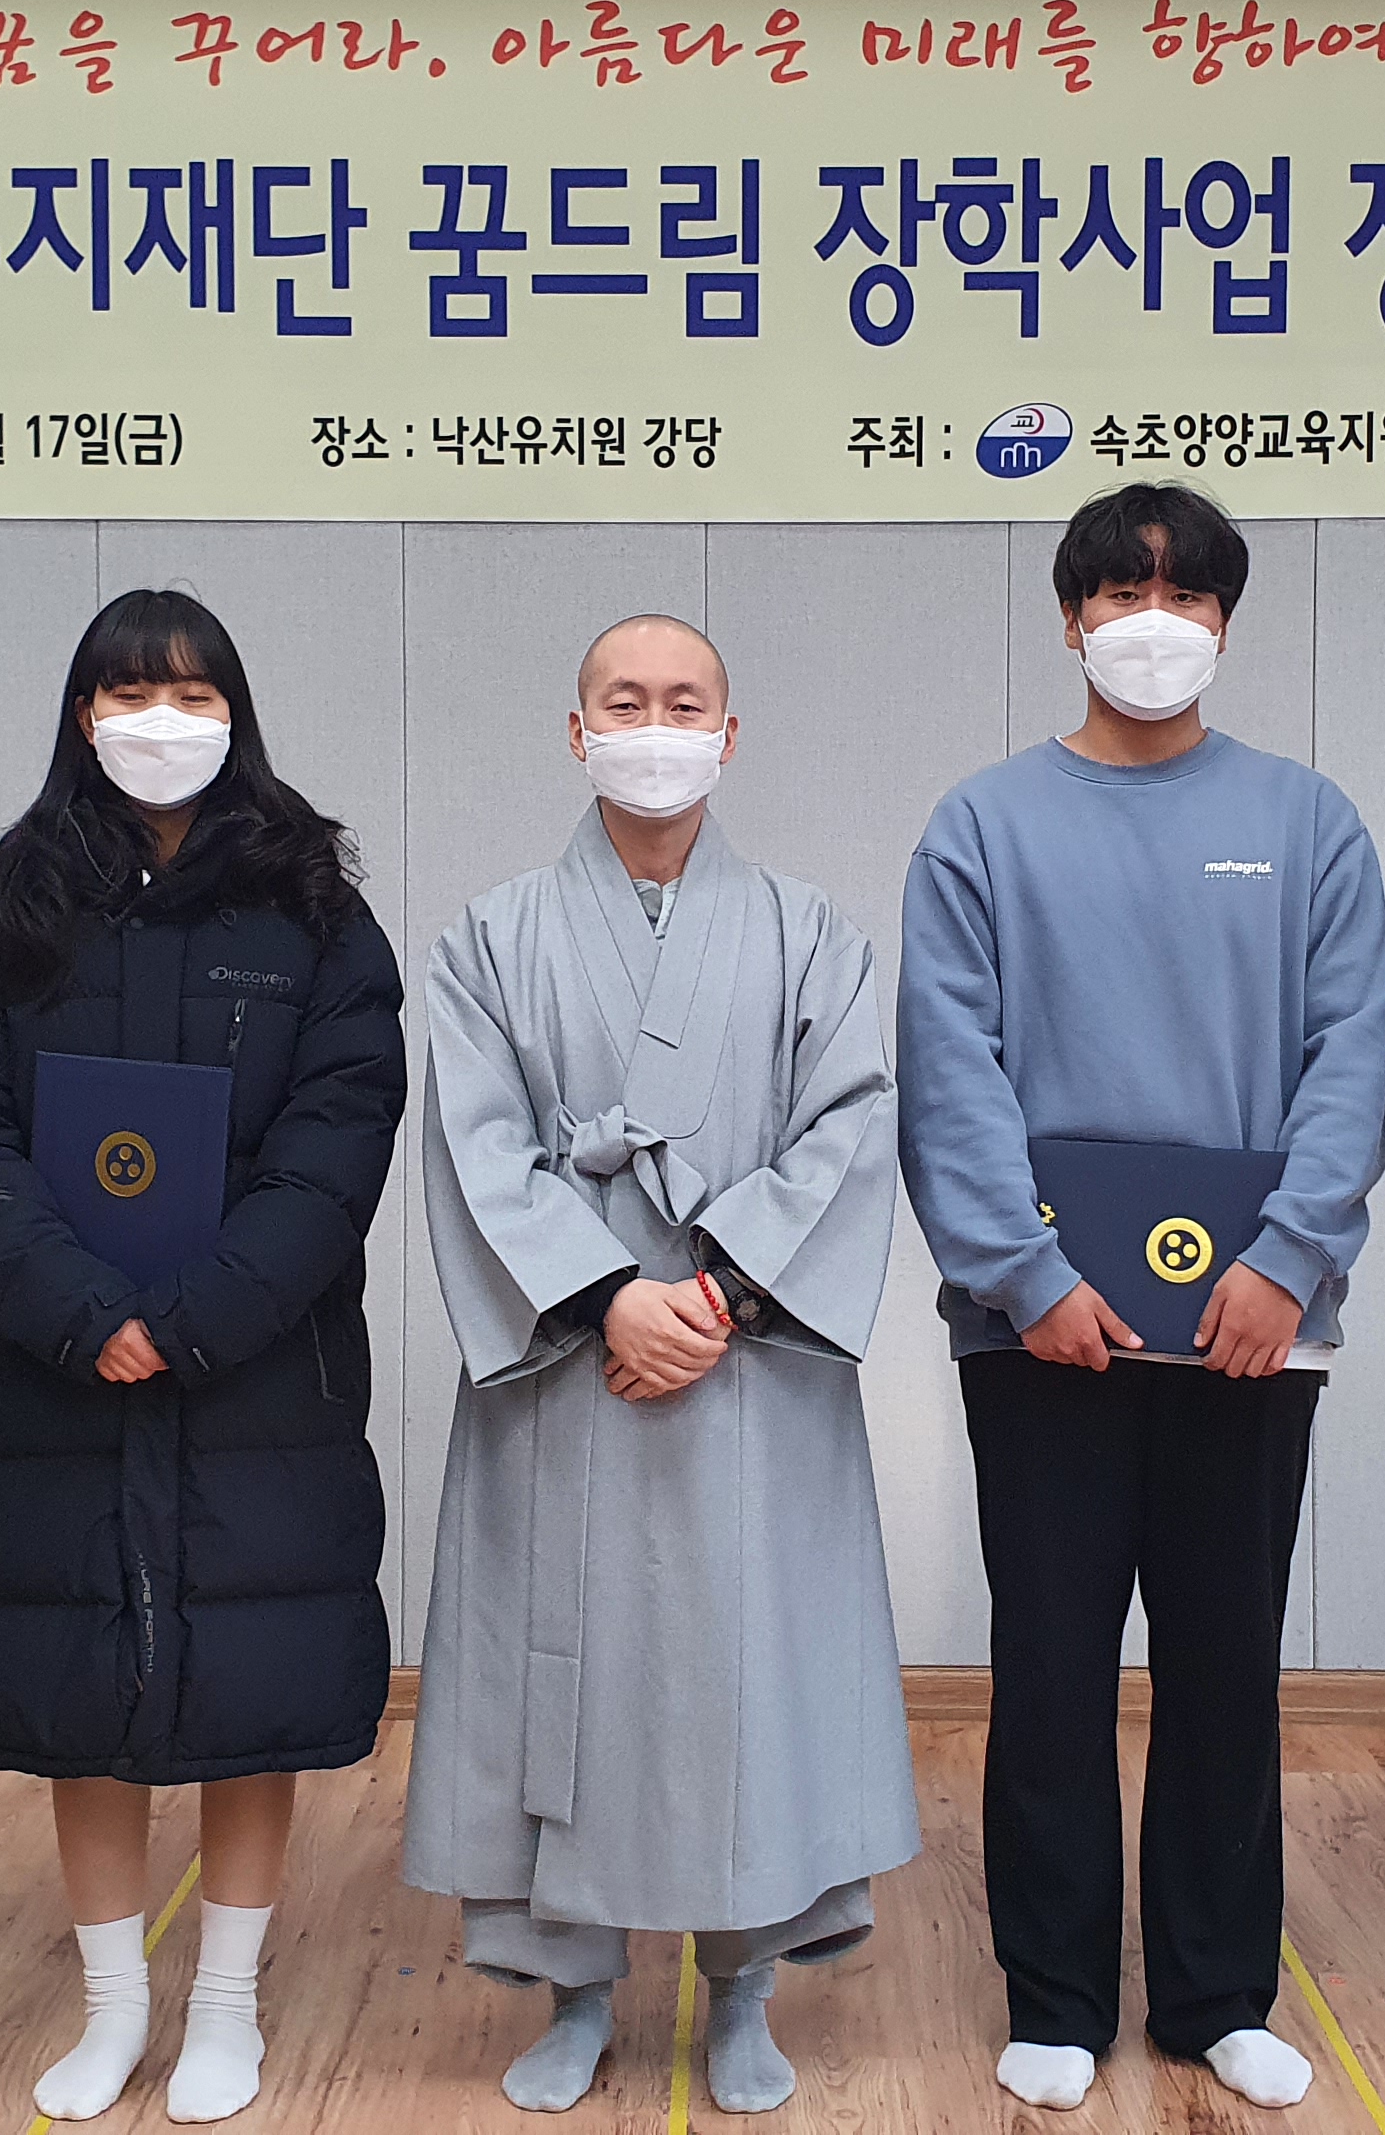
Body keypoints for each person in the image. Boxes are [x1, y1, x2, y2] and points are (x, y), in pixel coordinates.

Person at [898, 482, 1385, 2114]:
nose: (1154, 623)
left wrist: (1287, 1260)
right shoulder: (983, 826)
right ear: (1071, 619)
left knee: (1225, 1667)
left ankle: (1215, 1993)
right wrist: (1026, 1274)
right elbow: (949, 1070)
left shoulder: (1308, 821)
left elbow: (1352, 1058)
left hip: (1253, 1333)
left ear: (1227, 624)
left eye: (1186, 596)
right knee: (1050, 1668)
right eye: (1123, 593)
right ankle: (1055, 1995)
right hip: (1041, 1333)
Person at [0, 588, 407, 2128]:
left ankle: (230, 2005)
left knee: (254, 1685)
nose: (161, 721)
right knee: (85, 1690)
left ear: (235, 715)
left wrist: (193, 1317)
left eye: (192, 694)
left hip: (258, 1376)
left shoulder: (314, 907)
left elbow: (339, 1138)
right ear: (83, 715)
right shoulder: (18, 903)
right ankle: (115, 2004)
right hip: (62, 1372)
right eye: (130, 693)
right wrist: (82, 1312)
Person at [405, 614, 915, 2116]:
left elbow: (851, 1125)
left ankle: (745, 1983)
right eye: (623, 702)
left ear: (728, 734)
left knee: (749, 1673)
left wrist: (719, 1291)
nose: (654, 726)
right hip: (573, 1363)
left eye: (684, 702)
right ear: (578, 732)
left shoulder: (810, 930)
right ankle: (575, 1990)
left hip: (744, 1362)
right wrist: (606, 1296)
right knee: (561, 1669)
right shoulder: (491, 936)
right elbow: (475, 1145)